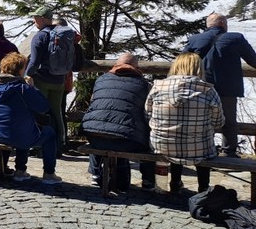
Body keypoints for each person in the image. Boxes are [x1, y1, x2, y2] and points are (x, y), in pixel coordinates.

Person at [146, 53, 224, 193]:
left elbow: (147, 114)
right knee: (200, 142)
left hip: (161, 146)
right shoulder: (208, 90)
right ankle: (203, 187)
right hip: (199, 148)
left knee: (176, 140)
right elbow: (218, 122)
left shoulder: (158, 86)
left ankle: (175, 182)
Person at [183, 12, 256, 157]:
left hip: (200, 87)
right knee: (228, 121)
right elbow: (253, 60)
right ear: (223, 24)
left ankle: (202, 149)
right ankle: (228, 152)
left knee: (200, 118)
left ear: (208, 25)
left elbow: (181, 62)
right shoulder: (236, 38)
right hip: (227, 88)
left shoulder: (194, 39)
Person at [81, 53, 153, 191]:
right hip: (127, 141)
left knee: (98, 128)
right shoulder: (144, 85)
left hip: (95, 137)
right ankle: (148, 180)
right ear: (136, 67)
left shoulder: (101, 80)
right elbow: (148, 113)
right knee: (148, 140)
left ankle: (95, 174)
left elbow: (92, 104)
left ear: (116, 65)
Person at [0, 52, 62, 184]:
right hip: (20, 135)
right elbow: (43, 107)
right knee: (49, 133)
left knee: (24, 125)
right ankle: (49, 173)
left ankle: (20, 171)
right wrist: (33, 87)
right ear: (19, 70)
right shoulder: (23, 88)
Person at [25, 5, 67, 151]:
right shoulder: (60, 34)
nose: (33, 20)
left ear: (42, 19)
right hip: (59, 80)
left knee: (40, 111)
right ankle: (60, 142)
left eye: (35, 17)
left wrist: (26, 75)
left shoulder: (40, 36)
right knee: (57, 112)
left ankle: (39, 145)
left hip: (42, 80)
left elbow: (34, 61)